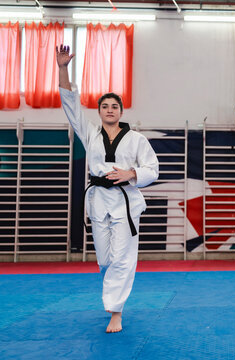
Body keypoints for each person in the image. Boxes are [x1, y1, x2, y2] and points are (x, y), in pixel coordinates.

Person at [56, 45, 159, 333]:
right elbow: (70, 105)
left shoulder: (136, 138)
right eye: (105, 106)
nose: (110, 110)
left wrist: (132, 173)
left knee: (123, 258)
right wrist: (63, 68)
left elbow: (153, 168)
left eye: (114, 106)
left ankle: (116, 311)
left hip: (125, 201)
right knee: (105, 259)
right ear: (99, 111)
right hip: (98, 199)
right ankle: (113, 294)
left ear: (121, 111)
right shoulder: (90, 133)